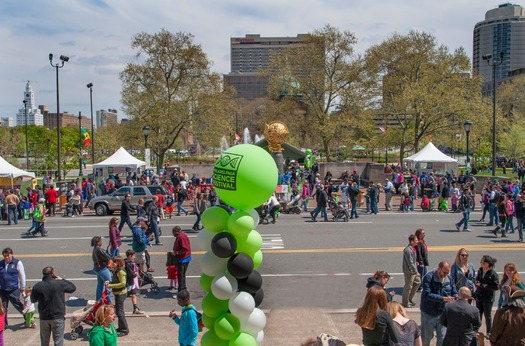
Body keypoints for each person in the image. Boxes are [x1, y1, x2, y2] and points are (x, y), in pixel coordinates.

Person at [30, 266, 76, 346]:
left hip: (44, 317)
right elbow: (72, 288)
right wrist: (62, 279)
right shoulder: (59, 284)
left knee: (44, 342)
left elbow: (33, 300)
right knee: (58, 342)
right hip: (58, 317)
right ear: (53, 273)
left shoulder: (37, 286)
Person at [420, 261, 458, 346]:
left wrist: (455, 297)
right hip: (429, 313)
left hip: (442, 313)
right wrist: (443, 298)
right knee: (427, 337)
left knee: (442, 338)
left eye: (447, 272)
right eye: (444, 272)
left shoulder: (449, 279)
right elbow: (427, 294)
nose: (445, 274)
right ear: (438, 269)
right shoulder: (429, 278)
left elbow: (454, 291)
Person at [474, 255, 499, 338]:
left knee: (487, 315)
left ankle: (489, 331)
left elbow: (495, 287)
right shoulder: (480, 270)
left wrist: (482, 285)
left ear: (488, 264)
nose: (482, 264)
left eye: (483, 262)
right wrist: (477, 282)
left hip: (488, 297)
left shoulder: (493, 274)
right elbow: (477, 279)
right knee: (478, 313)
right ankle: (476, 329)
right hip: (480, 296)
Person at [0, 247, 26, 325]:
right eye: (5, 256)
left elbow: (22, 276)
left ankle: (28, 318)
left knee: (18, 305)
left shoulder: (17, 263)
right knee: (3, 307)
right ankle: (3, 324)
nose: (6, 257)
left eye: (8, 255)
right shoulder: (1, 263)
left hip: (13, 289)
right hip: (3, 289)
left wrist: (22, 287)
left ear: (12, 254)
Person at [105, 256, 128, 337]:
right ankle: (121, 327)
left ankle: (125, 329)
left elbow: (122, 283)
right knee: (118, 311)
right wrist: (110, 282)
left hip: (121, 293)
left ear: (118, 263)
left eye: (114, 262)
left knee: (120, 311)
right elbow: (115, 280)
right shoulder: (116, 271)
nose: (113, 263)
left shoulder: (121, 272)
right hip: (118, 293)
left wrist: (111, 285)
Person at [91, 236, 112, 302]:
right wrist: (107, 251)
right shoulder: (99, 249)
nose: (101, 242)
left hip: (97, 268)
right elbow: (107, 257)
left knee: (100, 285)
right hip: (103, 269)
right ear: (98, 242)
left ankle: (98, 301)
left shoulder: (95, 249)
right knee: (109, 284)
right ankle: (109, 302)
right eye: (100, 241)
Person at [172, 226, 192, 295]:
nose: (173, 234)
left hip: (183, 259)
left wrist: (177, 252)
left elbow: (185, 248)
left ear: (176, 231)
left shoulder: (181, 237)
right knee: (182, 275)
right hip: (183, 258)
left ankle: (182, 291)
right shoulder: (181, 236)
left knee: (181, 276)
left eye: (173, 232)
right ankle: (182, 288)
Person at [402, 234, 420, 308]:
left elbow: (412, 261)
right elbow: (410, 263)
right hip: (410, 272)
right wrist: (416, 272)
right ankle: (405, 303)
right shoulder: (408, 250)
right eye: (416, 240)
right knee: (408, 287)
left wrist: (415, 262)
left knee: (417, 282)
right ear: (411, 241)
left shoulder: (412, 249)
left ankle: (409, 298)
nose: (417, 241)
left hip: (413, 271)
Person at [124, 250, 144, 315]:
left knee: (134, 294)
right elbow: (131, 274)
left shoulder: (129, 262)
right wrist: (135, 274)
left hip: (131, 282)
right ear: (130, 256)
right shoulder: (128, 264)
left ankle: (135, 308)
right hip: (128, 282)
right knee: (124, 296)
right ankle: (117, 307)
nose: (134, 257)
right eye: (133, 256)